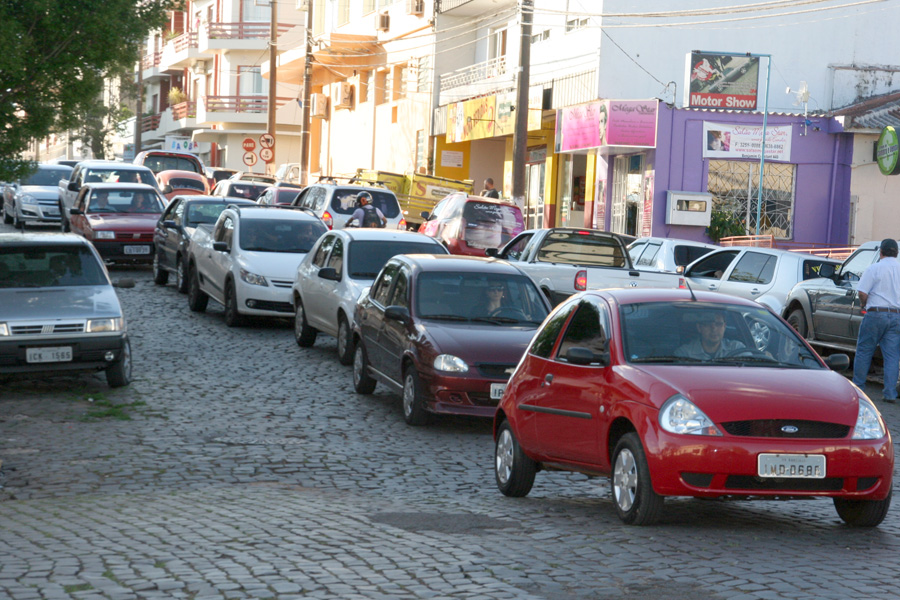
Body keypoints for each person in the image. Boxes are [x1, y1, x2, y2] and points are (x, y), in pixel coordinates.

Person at [853, 238, 900, 403]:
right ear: (897, 252)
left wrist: (863, 304)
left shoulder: (874, 268)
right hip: (896, 316)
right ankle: (889, 394)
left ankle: (858, 389)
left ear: (881, 252)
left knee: (864, 351)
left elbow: (862, 292)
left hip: (875, 314)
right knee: (892, 356)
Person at [675, 312, 744, 360]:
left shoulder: (737, 349)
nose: (714, 329)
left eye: (718, 324)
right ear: (699, 328)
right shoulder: (685, 354)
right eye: (708, 324)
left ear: (724, 327)